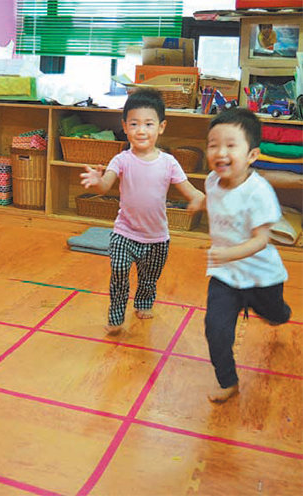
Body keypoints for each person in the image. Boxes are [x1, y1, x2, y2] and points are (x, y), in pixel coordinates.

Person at [80, 89, 205, 333]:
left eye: (148, 124)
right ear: (125, 127)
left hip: (157, 238)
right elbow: (106, 185)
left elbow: (192, 192)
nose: (141, 130)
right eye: (134, 124)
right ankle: (116, 317)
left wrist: (201, 200)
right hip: (124, 233)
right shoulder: (122, 160)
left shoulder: (168, 162)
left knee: (148, 278)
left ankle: (144, 302)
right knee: (118, 272)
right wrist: (97, 181)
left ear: (161, 127)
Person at [204, 108, 291, 403]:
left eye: (231, 145)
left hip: (261, 276)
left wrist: (228, 253)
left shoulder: (260, 192)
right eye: (213, 144)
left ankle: (279, 313)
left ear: (252, 155)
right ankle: (228, 381)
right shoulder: (211, 182)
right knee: (215, 329)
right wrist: (196, 202)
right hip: (224, 276)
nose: (220, 152)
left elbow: (261, 240)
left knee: (275, 315)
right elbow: (214, 200)